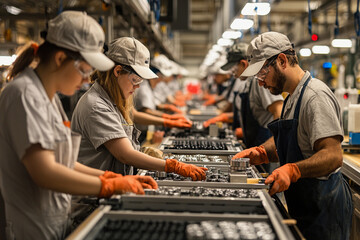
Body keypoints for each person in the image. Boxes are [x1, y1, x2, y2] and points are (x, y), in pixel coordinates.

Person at [0, 11, 157, 240]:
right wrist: (108, 187)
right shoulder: (24, 95)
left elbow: (63, 163)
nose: (86, 80)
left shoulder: (48, 98)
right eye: (84, 70)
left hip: (52, 224)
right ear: (60, 59)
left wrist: (109, 178)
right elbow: (45, 172)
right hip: (30, 230)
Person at [233, 31, 353, 240]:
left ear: (281, 61)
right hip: (306, 206)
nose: (260, 83)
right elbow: (293, 142)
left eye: (262, 74)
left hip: (324, 208)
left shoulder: (314, 96)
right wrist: (263, 152)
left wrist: (293, 170)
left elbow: (333, 156)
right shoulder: (292, 97)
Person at [71, 37, 207, 180]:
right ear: (118, 71)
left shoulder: (113, 99)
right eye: (135, 80)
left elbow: (123, 139)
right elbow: (125, 154)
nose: (138, 87)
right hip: (92, 198)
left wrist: (141, 151)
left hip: (112, 188)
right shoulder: (97, 106)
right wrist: (173, 166)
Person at [204, 43, 283, 150]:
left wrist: (274, 143)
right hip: (253, 143)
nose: (231, 72)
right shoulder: (246, 83)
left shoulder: (259, 82)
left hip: (265, 145)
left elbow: (279, 111)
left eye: (232, 68)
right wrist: (225, 117)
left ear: (243, 64)